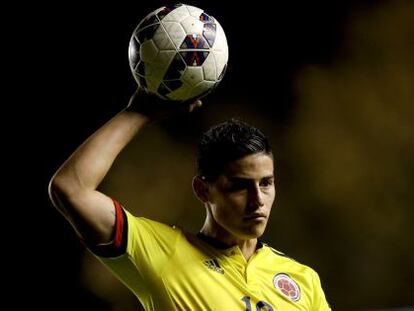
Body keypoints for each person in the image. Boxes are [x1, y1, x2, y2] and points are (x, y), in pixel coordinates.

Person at [49, 89, 331, 310]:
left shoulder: (303, 279)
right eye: (239, 186)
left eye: (266, 183)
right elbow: (71, 187)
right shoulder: (161, 254)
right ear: (202, 190)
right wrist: (138, 113)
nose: (258, 199)